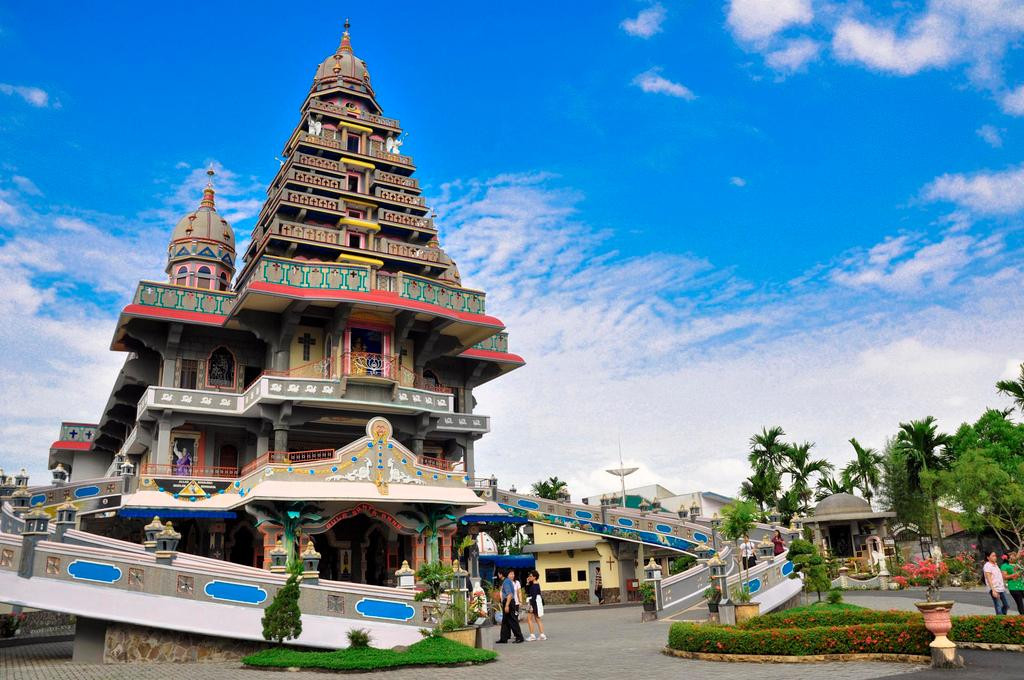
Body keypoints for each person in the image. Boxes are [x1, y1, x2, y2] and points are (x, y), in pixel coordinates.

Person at [496, 568, 524, 643]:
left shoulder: (506, 582)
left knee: (513, 620)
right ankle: (503, 638)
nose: (498, 575)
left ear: (501, 574)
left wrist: (507, 605)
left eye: (498, 574)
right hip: (507, 602)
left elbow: (510, 594)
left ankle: (519, 637)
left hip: (509, 602)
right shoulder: (506, 581)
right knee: (505, 621)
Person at [983, 551, 1010, 615]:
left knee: (1006, 605)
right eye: (993, 556)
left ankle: (1002, 618)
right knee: (998, 606)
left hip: (1001, 588)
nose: (995, 557)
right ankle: (1000, 619)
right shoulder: (987, 566)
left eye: (995, 555)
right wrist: (993, 590)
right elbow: (989, 579)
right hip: (994, 588)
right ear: (988, 557)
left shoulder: (995, 565)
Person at [525, 569, 546, 641]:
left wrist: (531, 606)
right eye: (529, 576)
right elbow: (527, 592)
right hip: (536, 602)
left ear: (535, 577)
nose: (529, 577)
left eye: (531, 576)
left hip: (533, 602)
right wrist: (527, 583)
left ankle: (532, 635)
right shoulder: (535, 584)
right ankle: (542, 635)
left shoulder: (534, 585)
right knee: (537, 619)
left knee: (529, 619)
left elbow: (532, 596)